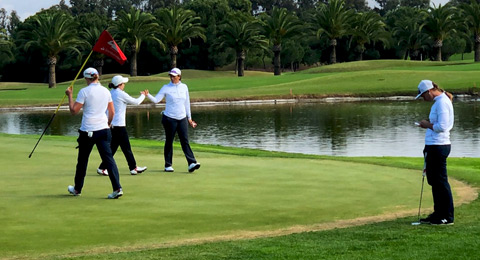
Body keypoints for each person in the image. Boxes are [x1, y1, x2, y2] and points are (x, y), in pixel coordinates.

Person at [65, 67, 123, 199]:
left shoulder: (84, 92)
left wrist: (70, 96)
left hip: (88, 131)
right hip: (103, 129)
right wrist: (108, 124)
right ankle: (117, 188)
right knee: (109, 160)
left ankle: (77, 189)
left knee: (83, 161)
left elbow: (74, 111)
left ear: (87, 78)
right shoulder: (106, 91)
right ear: (97, 77)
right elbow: (112, 112)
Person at [146, 68, 200, 173]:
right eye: (171, 76)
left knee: (185, 141)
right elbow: (156, 100)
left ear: (179, 76)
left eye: (174, 76)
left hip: (182, 118)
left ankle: (191, 163)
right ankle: (168, 165)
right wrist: (147, 95)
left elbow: (187, 103)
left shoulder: (184, 87)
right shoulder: (166, 87)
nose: (172, 78)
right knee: (169, 141)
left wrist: (189, 118)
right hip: (169, 118)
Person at [415, 79, 454, 225]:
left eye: (423, 96)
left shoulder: (442, 102)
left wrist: (427, 125)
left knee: (440, 182)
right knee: (434, 181)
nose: (423, 99)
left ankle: (447, 216)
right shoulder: (439, 102)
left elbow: (443, 126)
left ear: (429, 91)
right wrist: (428, 124)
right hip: (434, 145)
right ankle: (438, 213)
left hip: (439, 146)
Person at [96, 75, 148, 176]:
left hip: (111, 125)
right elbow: (136, 102)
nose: (124, 85)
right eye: (123, 83)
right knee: (125, 148)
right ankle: (132, 168)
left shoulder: (111, 93)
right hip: (119, 126)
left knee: (115, 148)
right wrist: (143, 95)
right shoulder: (120, 94)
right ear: (120, 85)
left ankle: (103, 167)